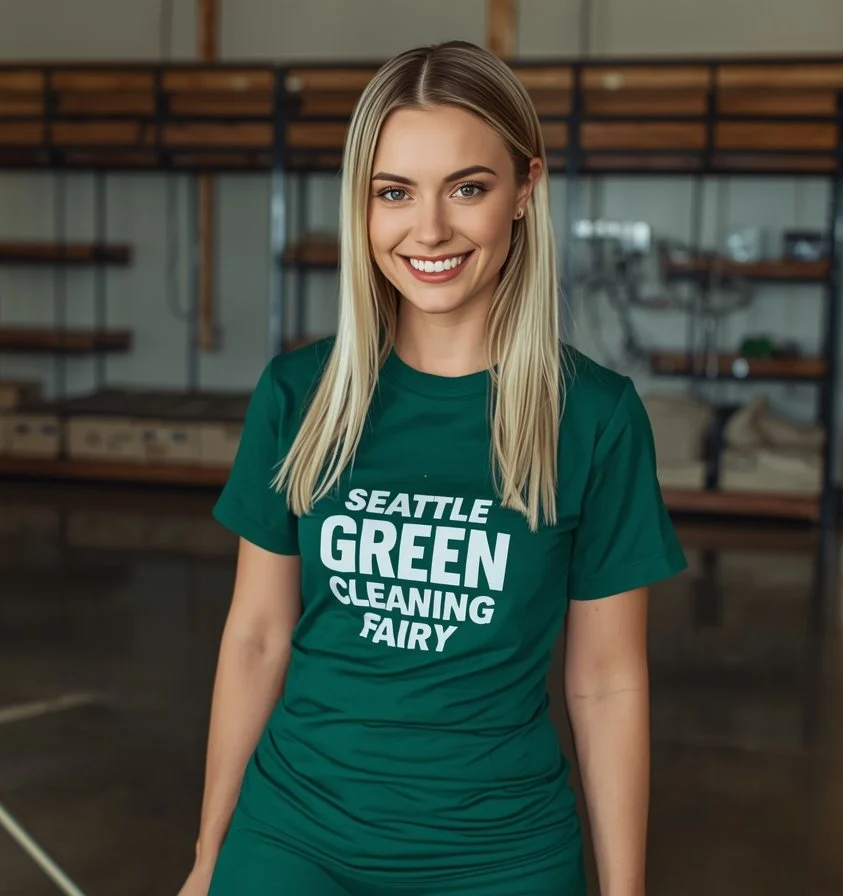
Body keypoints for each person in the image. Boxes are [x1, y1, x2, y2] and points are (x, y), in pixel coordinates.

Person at [178, 40, 687, 896]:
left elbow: (605, 681)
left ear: (525, 190)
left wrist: (624, 890)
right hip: (295, 834)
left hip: (502, 851)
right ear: (363, 208)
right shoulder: (297, 395)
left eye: (468, 187)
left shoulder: (595, 417)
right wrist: (207, 861)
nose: (430, 230)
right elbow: (258, 639)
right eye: (395, 193)